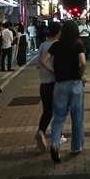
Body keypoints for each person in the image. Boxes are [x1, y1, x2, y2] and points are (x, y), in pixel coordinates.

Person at [41, 20, 87, 163]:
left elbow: (43, 60)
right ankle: (76, 146)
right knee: (77, 116)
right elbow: (83, 62)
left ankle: (55, 143)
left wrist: (52, 71)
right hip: (75, 83)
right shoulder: (78, 44)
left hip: (59, 84)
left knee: (59, 117)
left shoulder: (56, 45)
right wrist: (81, 73)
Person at [35, 23, 66, 152]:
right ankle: (57, 136)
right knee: (59, 111)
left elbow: (39, 61)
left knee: (47, 111)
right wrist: (53, 70)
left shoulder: (42, 45)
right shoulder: (58, 45)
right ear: (59, 32)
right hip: (55, 82)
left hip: (44, 83)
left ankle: (41, 131)